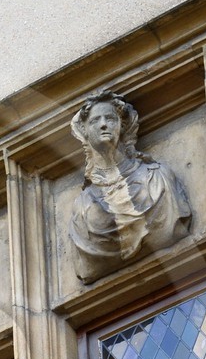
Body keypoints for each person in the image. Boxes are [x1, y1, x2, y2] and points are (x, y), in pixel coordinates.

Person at [67, 89, 192, 282]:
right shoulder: (83, 206)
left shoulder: (158, 178)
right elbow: (87, 267)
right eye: (94, 121)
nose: (103, 125)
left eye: (110, 118)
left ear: (122, 125)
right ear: (84, 132)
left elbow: (174, 226)